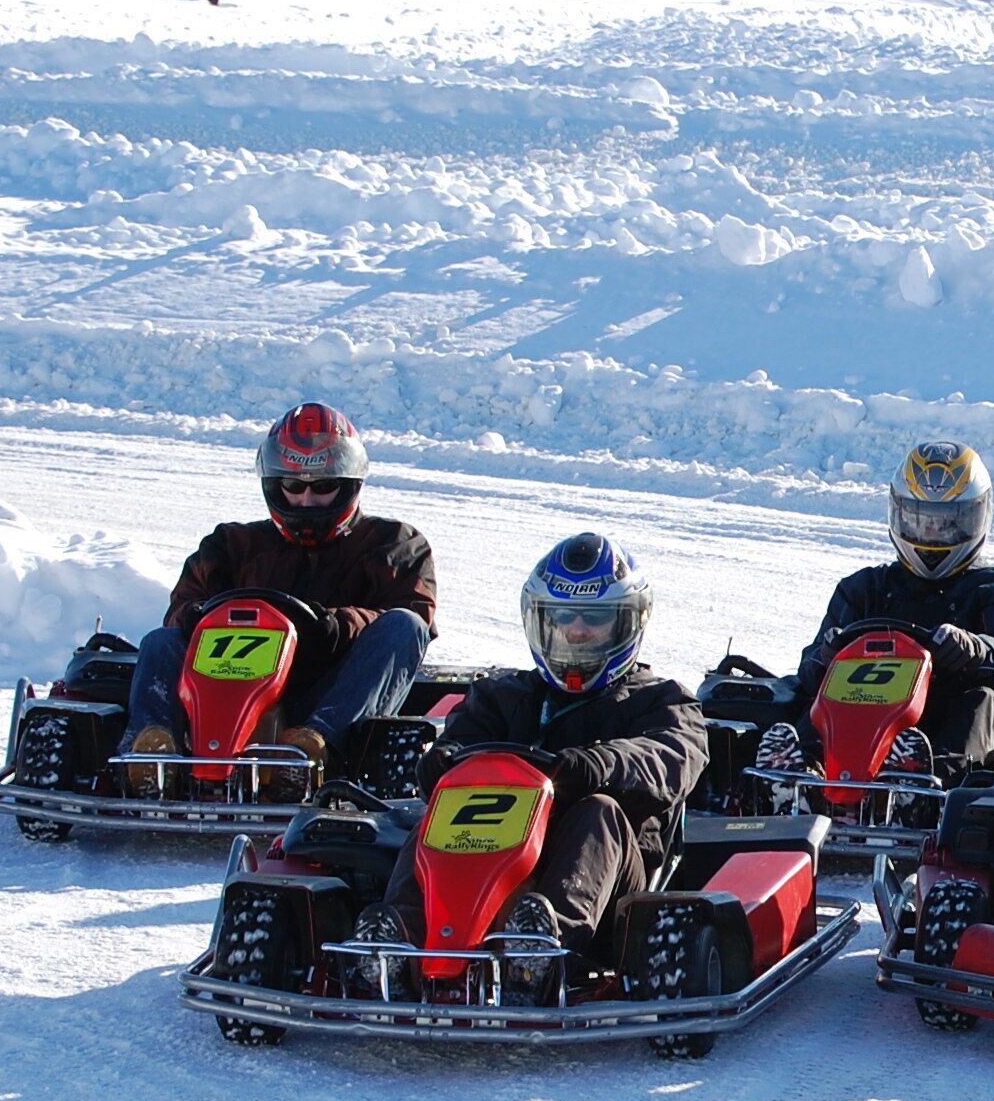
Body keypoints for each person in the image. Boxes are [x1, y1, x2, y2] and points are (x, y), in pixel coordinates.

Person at [354, 534, 706, 955]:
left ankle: (542, 947)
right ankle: (400, 942)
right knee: (444, 806)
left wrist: (593, 766)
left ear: (628, 622)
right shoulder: (503, 694)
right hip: (494, 856)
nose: (575, 632)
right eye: (562, 616)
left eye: (593, 619)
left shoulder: (662, 700)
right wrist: (443, 762)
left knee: (598, 810)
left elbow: (670, 760)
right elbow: (460, 741)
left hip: (606, 885)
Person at [125, 402, 436, 776]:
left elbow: (413, 616)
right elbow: (182, 607)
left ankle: (307, 750)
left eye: (322, 487)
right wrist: (200, 615)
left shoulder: (395, 544)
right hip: (225, 686)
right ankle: (154, 751)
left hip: (333, 690)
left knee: (405, 627)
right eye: (293, 486)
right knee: (161, 641)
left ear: (348, 485)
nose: (306, 500)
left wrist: (336, 626)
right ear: (275, 484)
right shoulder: (231, 543)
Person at [757, 440, 994, 779]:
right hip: (865, 720)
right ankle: (802, 773)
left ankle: (922, 788)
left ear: (977, 516)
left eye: (947, 523)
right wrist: (828, 654)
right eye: (921, 520)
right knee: (824, 691)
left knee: (982, 699)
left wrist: (977, 650)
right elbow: (808, 671)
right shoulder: (864, 589)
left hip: (949, 726)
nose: (932, 533)